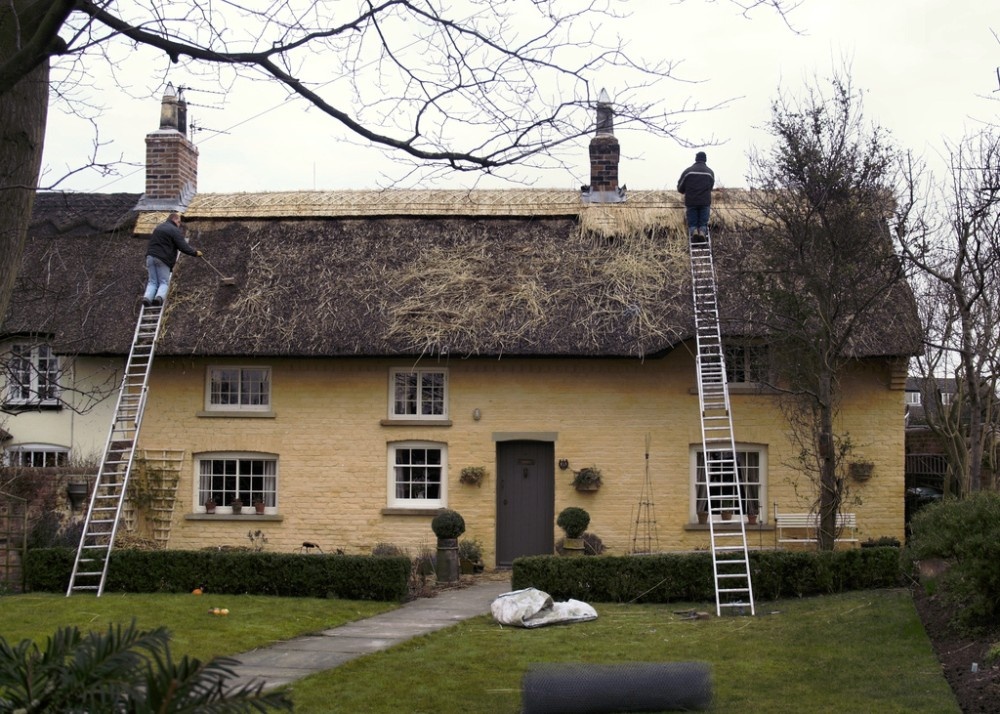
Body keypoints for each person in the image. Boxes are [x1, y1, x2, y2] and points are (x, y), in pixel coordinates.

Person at [143, 212, 202, 307]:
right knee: (164, 282)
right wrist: (195, 253)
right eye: (179, 222)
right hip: (163, 259)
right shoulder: (174, 230)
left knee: (152, 281)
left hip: (150, 257)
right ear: (175, 220)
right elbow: (183, 246)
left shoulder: (158, 228)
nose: (179, 225)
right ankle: (159, 298)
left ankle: (147, 298)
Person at [677, 151, 715, 239]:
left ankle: (694, 231)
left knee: (692, 222)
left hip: (691, 201)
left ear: (696, 159)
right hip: (705, 202)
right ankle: (702, 232)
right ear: (705, 159)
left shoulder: (688, 171)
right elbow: (711, 187)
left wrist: (685, 191)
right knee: (703, 222)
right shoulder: (710, 172)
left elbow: (680, 187)